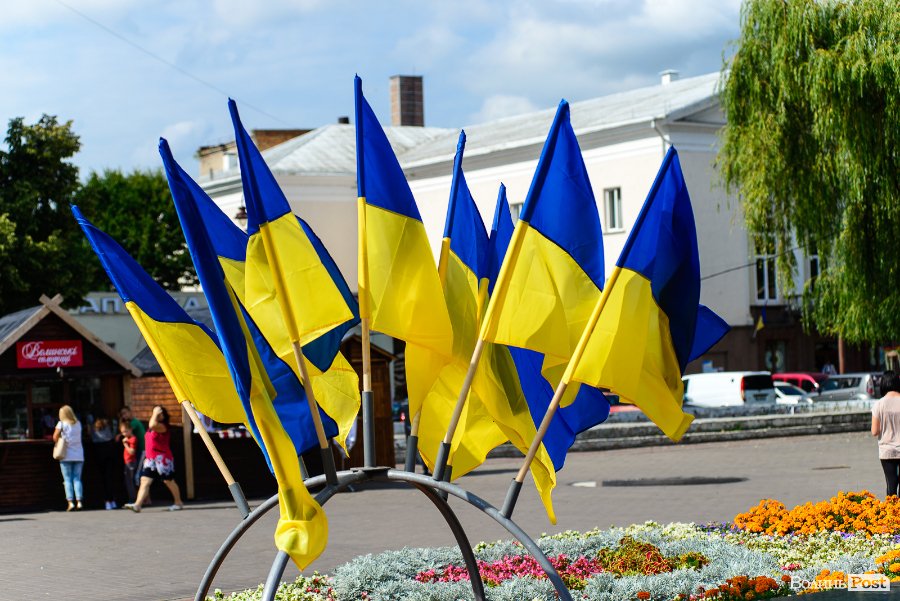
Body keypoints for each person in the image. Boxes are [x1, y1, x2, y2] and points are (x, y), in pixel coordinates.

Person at [124, 405, 183, 512]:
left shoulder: (163, 426)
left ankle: (178, 502)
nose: (157, 415)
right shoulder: (152, 427)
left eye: (160, 413)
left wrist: (155, 413)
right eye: (156, 413)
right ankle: (137, 505)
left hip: (163, 459)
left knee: (168, 481)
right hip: (151, 460)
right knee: (144, 481)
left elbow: (152, 424)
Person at [872, 371, 900, 497]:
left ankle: (891, 509)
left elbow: (875, 431)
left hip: (887, 451)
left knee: (891, 484)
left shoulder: (879, 404)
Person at [53, 405, 84, 511]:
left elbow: (55, 437)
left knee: (67, 479)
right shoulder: (78, 423)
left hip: (66, 455)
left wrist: (61, 438)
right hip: (79, 455)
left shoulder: (61, 423)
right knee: (77, 479)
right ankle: (79, 501)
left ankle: (70, 502)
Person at [91, 414, 117, 510]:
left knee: (102, 479)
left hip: (98, 452)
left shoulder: (93, 427)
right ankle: (112, 500)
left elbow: (92, 438)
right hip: (109, 451)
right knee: (110, 477)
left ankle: (107, 501)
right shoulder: (108, 426)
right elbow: (113, 436)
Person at [120, 421, 138, 503]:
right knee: (128, 481)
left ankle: (133, 499)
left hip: (131, 462)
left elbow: (132, 452)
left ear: (130, 429)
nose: (124, 434)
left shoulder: (132, 439)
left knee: (130, 482)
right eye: (122, 432)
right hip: (128, 462)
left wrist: (125, 444)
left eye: (126, 431)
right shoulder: (128, 439)